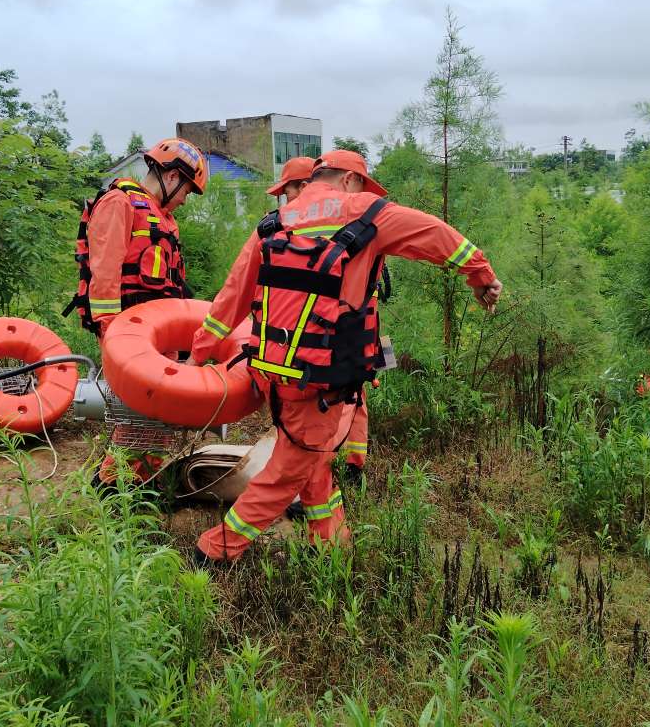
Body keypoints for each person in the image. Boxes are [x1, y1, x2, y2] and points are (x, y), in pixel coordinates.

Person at [189, 150, 502, 563]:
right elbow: (438, 236)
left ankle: (331, 542)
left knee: (312, 462)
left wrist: (199, 354)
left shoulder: (274, 222)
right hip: (319, 376)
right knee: (287, 473)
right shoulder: (369, 213)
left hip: (271, 369)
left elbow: (232, 296)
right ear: (352, 180)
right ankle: (214, 551)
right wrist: (481, 275)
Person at [62, 137, 209, 489]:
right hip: (130, 335)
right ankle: (114, 490)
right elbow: (105, 274)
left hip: (160, 334)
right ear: (172, 177)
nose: (186, 199)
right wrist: (115, 339)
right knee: (142, 416)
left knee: (157, 419)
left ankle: (133, 486)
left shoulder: (162, 216)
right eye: (187, 189)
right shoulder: (119, 203)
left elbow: (171, 284)